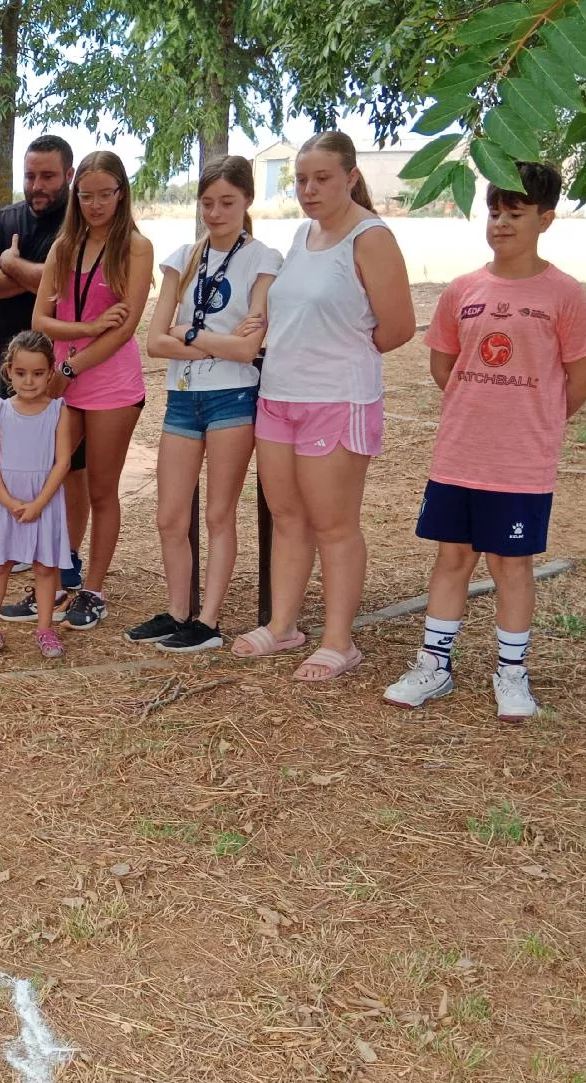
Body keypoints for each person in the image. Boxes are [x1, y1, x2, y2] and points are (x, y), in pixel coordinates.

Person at [383, 161, 586, 720]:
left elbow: (582, 377)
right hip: (459, 455)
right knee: (452, 557)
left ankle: (512, 674)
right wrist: (480, 405)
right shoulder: (463, 289)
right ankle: (434, 667)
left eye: (516, 213)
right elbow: (444, 364)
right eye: (494, 212)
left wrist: (535, 419)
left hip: (520, 463)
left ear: (546, 219)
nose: (501, 223)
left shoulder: (565, 295)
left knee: (512, 564)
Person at [232, 131, 416, 680]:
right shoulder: (301, 233)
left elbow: (399, 327)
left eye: (322, 178)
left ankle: (340, 641)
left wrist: (339, 356)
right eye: (302, 180)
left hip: (336, 400)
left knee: (334, 524)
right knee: (288, 517)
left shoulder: (370, 238)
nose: (309, 190)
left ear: (351, 177)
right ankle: (284, 625)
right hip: (279, 395)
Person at [132, 155, 280, 652]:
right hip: (183, 397)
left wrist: (189, 331)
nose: (215, 213)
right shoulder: (184, 256)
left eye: (227, 203)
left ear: (247, 202)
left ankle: (209, 621)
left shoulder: (263, 258)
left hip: (232, 396)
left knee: (218, 514)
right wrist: (213, 338)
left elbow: (248, 349)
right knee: (169, 516)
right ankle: (178, 610)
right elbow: (153, 340)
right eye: (208, 203)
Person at [30, 150, 152, 631]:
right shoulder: (64, 248)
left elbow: (124, 330)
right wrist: (86, 326)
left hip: (109, 386)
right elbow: (41, 319)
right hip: (67, 381)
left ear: (121, 194)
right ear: (74, 196)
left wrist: (73, 362)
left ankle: (94, 589)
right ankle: (57, 580)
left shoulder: (135, 248)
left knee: (102, 489)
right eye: (86, 196)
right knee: (58, 483)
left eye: (105, 195)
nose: (95, 205)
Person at [0, 134, 88, 593]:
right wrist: (22, 270)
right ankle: (5, 548)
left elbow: (59, 281)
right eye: (30, 175)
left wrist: (10, 264)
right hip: (12, 369)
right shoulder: (7, 219)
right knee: (6, 458)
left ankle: (69, 556)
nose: (37, 185)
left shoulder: (79, 224)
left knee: (68, 464)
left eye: (48, 176)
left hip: (61, 370)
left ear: (69, 175)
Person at [0, 331, 78, 660]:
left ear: (51, 372)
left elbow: (62, 461)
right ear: (9, 371)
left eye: (38, 374)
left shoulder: (58, 411)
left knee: (45, 568)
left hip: (43, 500)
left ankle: (45, 629)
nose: (30, 381)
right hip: (7, 502)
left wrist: (38, 504)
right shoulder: (0, 411)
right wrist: (7, 501)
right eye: (21, 373)